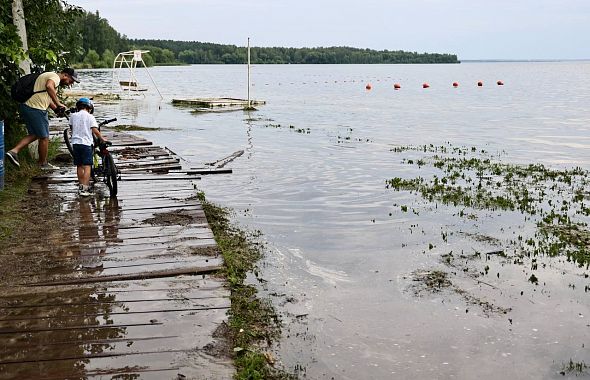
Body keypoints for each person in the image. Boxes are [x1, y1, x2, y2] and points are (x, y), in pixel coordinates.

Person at [5, 68, 79, 170]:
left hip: (28, 106)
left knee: (35, 134)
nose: (69, 84)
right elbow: (49, 87)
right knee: (44, 137)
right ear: (65, 75)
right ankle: (43, 164)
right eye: (71, 81)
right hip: (36, 108)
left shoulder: (49, 76)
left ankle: (13, 152)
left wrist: (56, 109)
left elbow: (46, 98)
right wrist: (58, 103)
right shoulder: (55, 77)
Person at [69, 97, 107, 197]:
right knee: (87, 166)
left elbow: (72, 129)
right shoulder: (90, 117)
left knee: (79, 165)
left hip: (76, 143)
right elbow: (94, 130)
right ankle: (85, 189)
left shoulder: (73, 116)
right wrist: (102, 138)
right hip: (86, 144)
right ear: (89, 107)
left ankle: (81, 187)